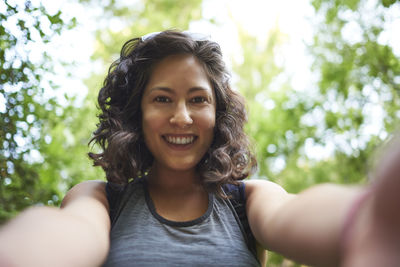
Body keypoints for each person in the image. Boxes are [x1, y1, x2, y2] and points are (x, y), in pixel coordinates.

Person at [0, 30, 399, 267]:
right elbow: (68, 234)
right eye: (161, 99)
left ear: (217, 112)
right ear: (136, 114)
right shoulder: (101, 199)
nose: (182, 117)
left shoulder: (250, 200)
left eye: (197, 99)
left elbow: (292, 215)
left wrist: (369, 220)